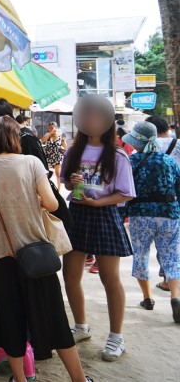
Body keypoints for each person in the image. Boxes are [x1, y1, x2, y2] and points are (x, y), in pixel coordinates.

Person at [0, 116, 93, 382]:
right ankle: (79, 379)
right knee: (55, 319)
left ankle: (20, 379)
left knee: (12, 325)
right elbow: (53, 204)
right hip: (35, 257)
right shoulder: (31, 163)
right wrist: (37, 201)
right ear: (13, 138)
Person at [61, 95, 135, 362]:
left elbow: (126, 194)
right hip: (77, 214)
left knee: (110, 279)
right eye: (87, 115)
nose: (91, 120)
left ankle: (116, 337)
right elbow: (67, 186)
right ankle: (81, 327)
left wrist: (99, 201)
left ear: (107, 121)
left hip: (103, 215)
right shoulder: (72, 151)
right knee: (70, 276)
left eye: (96, 116)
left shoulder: (117, 155)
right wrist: (72, 182)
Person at [122, 122, 180, 323]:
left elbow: (124, 190)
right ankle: (176, 297)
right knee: (171, 257)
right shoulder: (168, 161)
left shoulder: (131, 161)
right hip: (169, 213)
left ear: (137, 141)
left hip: (141, 214)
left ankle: (147, 299)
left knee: (141, 255)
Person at [146, 115, 179, 291]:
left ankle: (167, 279)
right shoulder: (179, 144)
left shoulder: (149, 148)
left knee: (164, 244)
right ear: (167, 127)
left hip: (155, 203)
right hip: (176, 198)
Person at [41, 122, 68, 191]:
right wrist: (50, 133)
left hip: (57, 156)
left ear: (56, 128)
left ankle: (58, 189)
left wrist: (64, 141)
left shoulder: (60, 135)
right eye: (49, 128)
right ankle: (47, 188)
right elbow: (42, 140)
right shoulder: (48, 135)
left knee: (57, 173)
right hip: (48, 156)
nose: (51, 129)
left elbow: (65, 146)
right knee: (46, 172)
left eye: (52, 128)